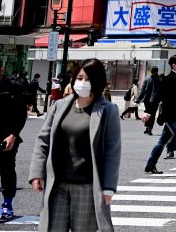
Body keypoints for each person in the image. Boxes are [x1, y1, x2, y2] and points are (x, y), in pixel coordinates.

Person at [29, 59, 121, 232]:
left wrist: (108, 187)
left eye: (88, 79)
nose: (82, 83)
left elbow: (112, 152)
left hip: (86, 187)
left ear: (97, 81)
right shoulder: (60, 106)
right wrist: (36, 173)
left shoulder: (108, 110)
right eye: (79, 78)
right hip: (57, 184)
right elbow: (43, 140)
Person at [0, 58, 27, 222]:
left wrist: (13, 135)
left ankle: (7, 204)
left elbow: (21, 114)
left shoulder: (13, 86)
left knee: (7, 172)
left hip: (6, 138)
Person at [140, 67, 161, 135]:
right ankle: (148, 128)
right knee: (151, 115)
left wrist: (139, 98)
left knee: (148, 114)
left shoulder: (148, 78)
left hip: (150, 101)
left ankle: (148, 128)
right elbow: (143, 89)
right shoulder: (159, 79)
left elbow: (143, 89)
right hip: (153, 101)